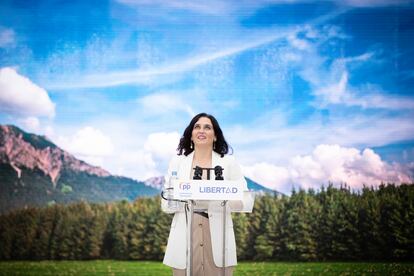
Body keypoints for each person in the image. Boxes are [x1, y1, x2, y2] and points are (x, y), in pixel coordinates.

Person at [161, 112, 251, 276]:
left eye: (207, 127)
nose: (201, 130)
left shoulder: (228, 163)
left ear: (215, 136)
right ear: (191, 135)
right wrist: (179, 195)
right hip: (185, 234)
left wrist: (225, 196)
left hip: (218, 235)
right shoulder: (177, 162)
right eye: (197, 127)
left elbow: (244, 199)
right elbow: (166, 205)